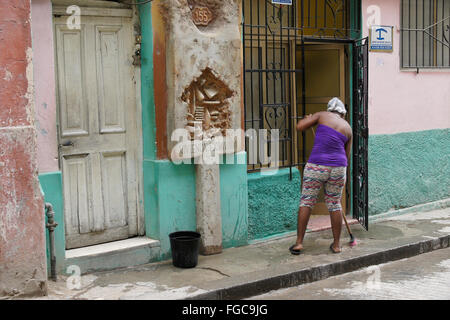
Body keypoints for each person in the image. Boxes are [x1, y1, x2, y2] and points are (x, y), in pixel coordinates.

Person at [289, 97, 352, 255]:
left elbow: (299, 127)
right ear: (342, 114)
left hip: (317, 165)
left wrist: (308, 119)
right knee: (334, 204)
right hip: (338, 167)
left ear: (330, 109)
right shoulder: (348, 128)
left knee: (307, 201)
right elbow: (346, 155)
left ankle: (298, 243)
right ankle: (337, 245)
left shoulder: (322, 115)